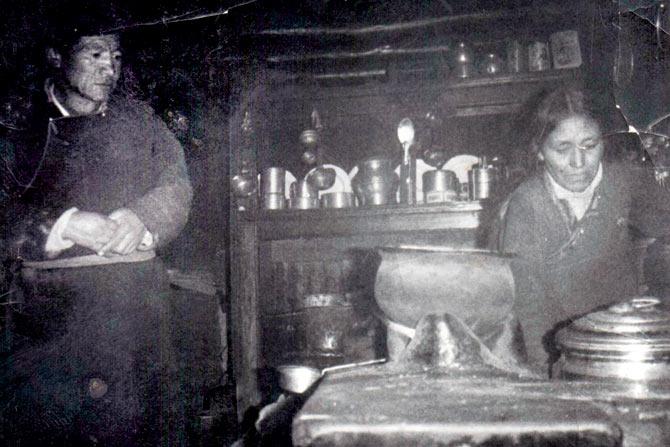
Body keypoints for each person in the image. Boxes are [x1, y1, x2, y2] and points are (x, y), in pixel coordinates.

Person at [0, 16, 192, 446]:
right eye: (96, 54)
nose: (111, 69)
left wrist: (144, 217)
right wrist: (63, 225)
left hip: (136, 312)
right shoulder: (15, 127)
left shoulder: (139, 122)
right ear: (57, 56)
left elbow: (177, 184)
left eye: (117, 56)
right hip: (47, 320)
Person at [492, 87, 670, 373]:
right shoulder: (525, 208)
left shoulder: (624, 182)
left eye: (589, 145)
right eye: (562, 149)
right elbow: (528, 309)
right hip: (561, 356)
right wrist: (550, 375)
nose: (578, 163)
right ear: (538, 151)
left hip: (627, 346)